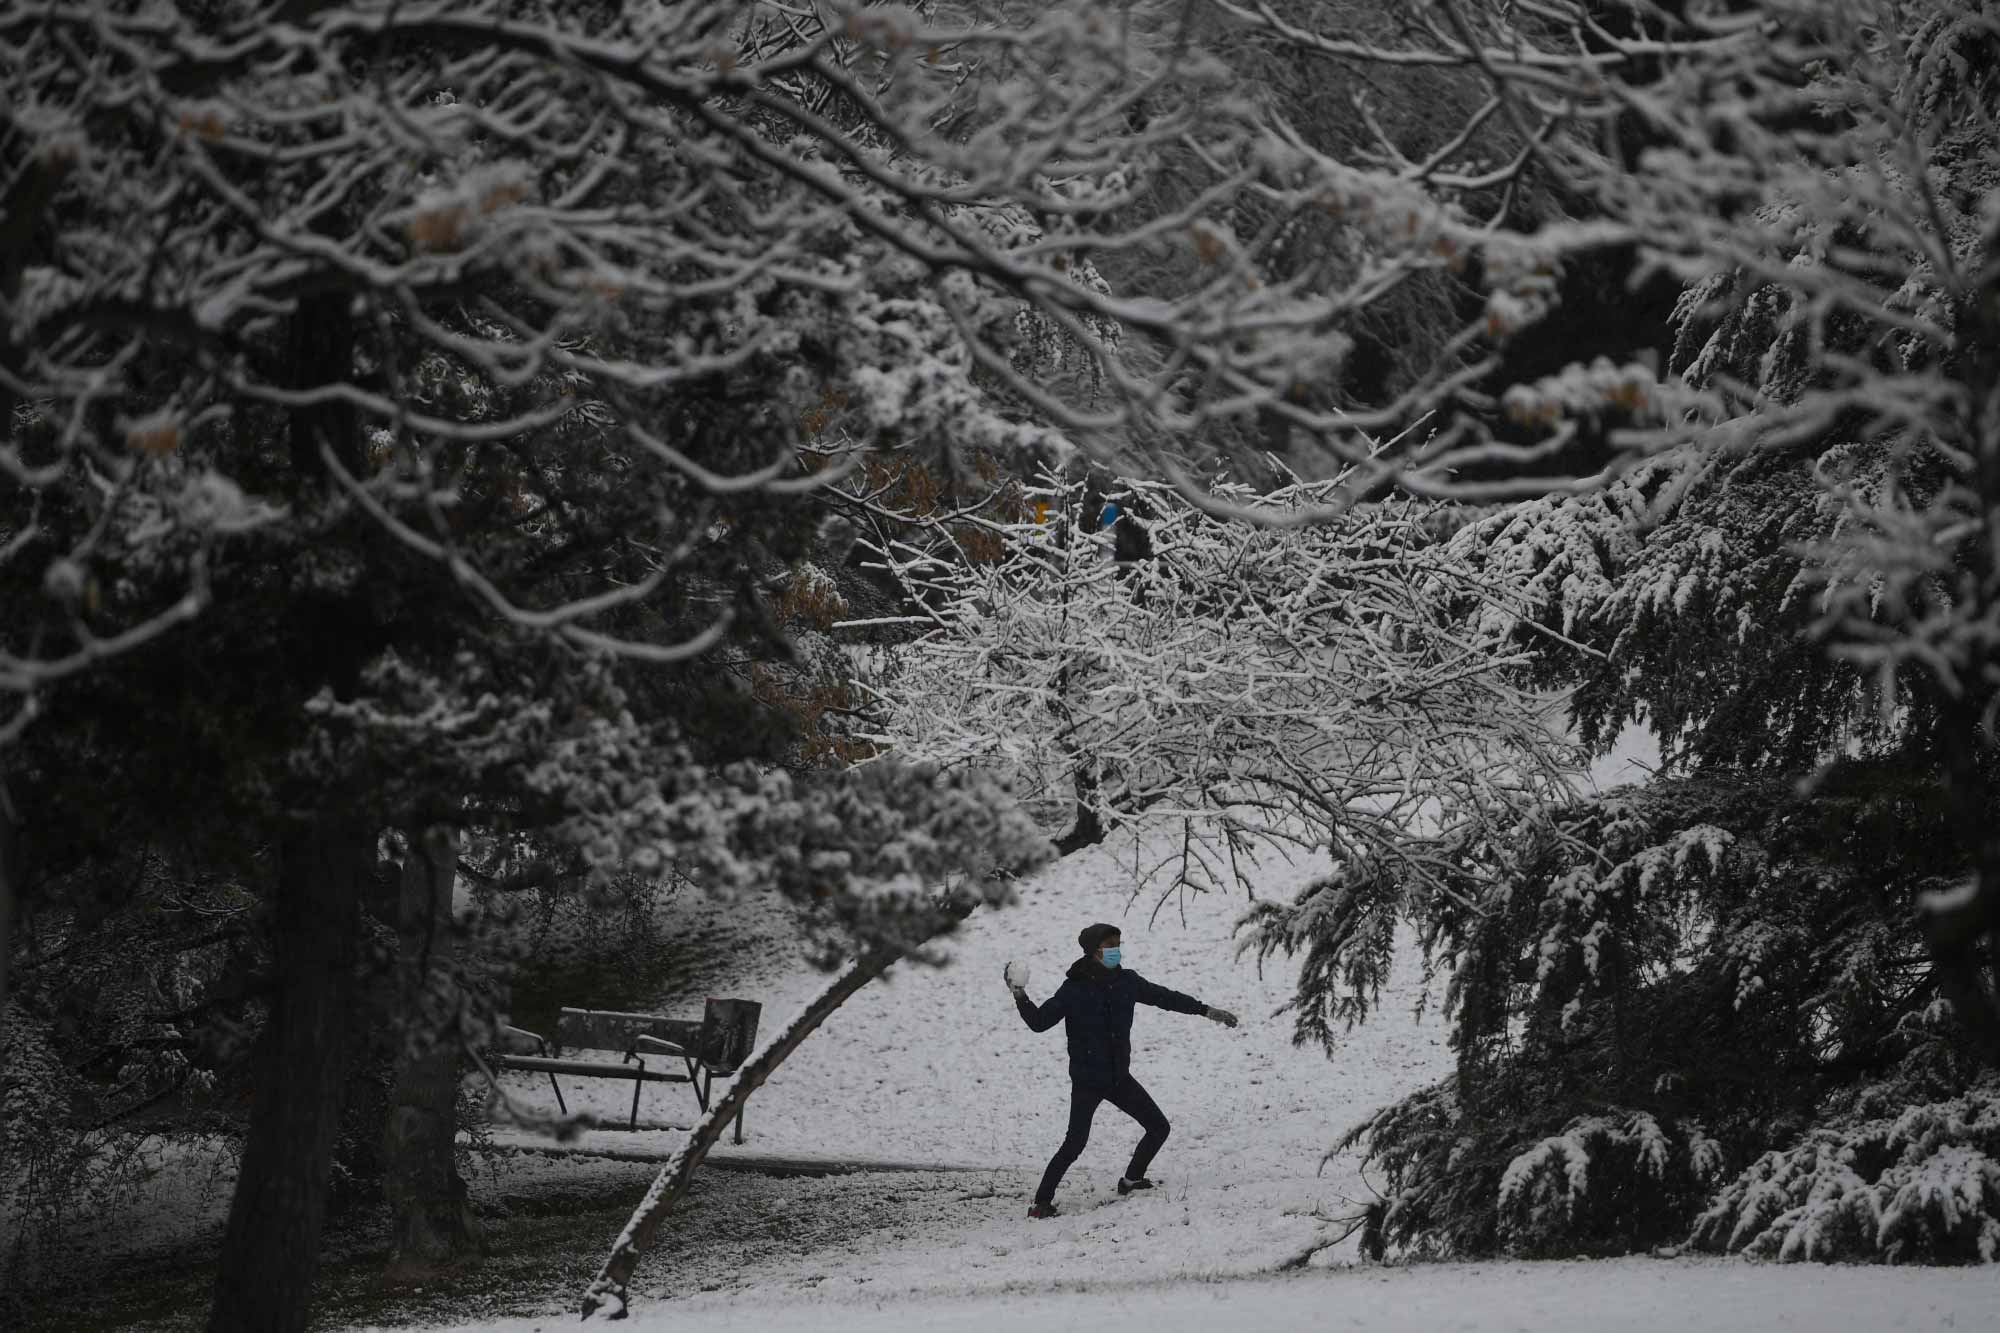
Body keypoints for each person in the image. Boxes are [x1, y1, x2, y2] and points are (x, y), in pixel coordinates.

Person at [1004, 923, 1239, 1219]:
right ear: (1094, 950)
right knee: (1074, 1144)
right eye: (1110, 945)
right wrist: (1020, 996)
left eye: (1119, 943)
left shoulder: (1127, 982)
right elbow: (1039, 1022)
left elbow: (1165, 997)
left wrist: (1205, 1010)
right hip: (1088, 1081)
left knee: (1158, 1127)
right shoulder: (1074, 989)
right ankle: (1041, 1203)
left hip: (1118, 1078)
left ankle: (1131, 1180)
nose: (1117, 950)